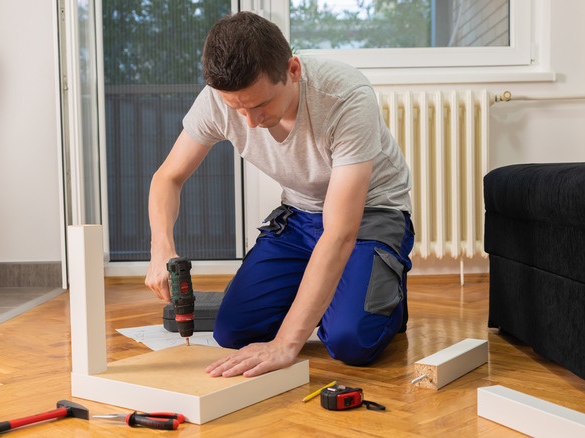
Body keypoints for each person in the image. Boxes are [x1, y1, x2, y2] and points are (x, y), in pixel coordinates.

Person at [145, 11, 413, 378]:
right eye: (236, 108)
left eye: (259, 105)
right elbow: (167, 177)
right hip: (300, 217)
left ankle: (384, 295)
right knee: (233, 332)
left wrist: (287, 344)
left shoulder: (346, 97)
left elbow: (339, 233)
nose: (249, 121)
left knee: (352, 342)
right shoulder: (221, 99)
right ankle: (342, 291)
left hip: (369, 215)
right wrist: (161, 247)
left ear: (293, 70)